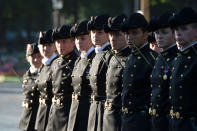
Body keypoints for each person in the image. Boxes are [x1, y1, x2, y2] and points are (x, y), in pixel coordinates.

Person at [121, 13, 157, 131]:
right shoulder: (130, 57)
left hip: (143, 121)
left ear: (145, 34)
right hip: (126, 120)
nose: (129, 37)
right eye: (127, 33)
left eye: (135, 33)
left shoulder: (152, 58)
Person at [168, 7, 197, 131]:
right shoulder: (177, 57)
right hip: (175, 123)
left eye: (184, 29)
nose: (178, 33)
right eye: (176, 29)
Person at [148, 12, 178, 131]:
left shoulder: (177, 57)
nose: (159, 36)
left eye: (164, 32)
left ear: (174, 33)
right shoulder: (160, 57)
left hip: (169, 121)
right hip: (156, 120)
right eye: (156, 33)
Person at [46, 25, 78, 131]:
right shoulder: (55, 63)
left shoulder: (77, 62)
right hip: (54, 113)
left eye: (64, 41)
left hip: (68, 113)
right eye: (58, 42)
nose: (60, 45)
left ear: (73, 42)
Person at [102, 14, 131, 131]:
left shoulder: (130, 58)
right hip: (108, 116)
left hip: (122, 118)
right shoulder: (111, 56)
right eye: (110, 34)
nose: (113, 38)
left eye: (117, 34)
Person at [67, 20, 95, 131]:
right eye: (76, 39)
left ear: (91, 38)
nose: (78, 41)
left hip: (88, 112)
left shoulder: (95, 59)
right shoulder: (79, 60)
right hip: (75, 111)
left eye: (83, 38)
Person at [87, 14, 113, 131]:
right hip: (94, 107)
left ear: (108, 33)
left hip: (106, 108)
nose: (95, 36)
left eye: (99, 32)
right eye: (92, 32)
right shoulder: (96, 54)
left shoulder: (111, 55)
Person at [35, 29, 58, 131]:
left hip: (54, 114)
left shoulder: (58, 64)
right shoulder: (43, 65)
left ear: (55, 46)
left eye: (49, 45)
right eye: (43, 45)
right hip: (42, 112)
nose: (45, 48)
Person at [19, 43, 42, 131]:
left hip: (39, 118)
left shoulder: (46, 74)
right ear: (27, 58)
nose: (36, 60)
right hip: (26, 117)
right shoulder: (26, 75)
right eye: (33, 57)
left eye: (39, 56)